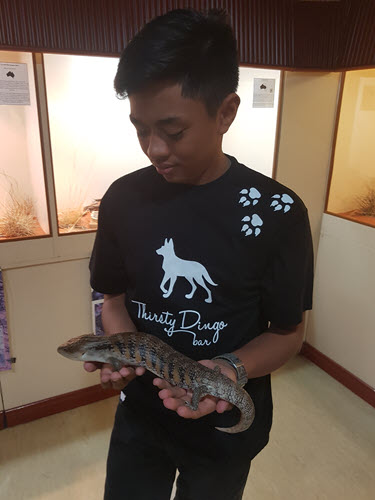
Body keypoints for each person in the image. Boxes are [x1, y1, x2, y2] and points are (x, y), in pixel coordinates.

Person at [86, 8, 314, 500]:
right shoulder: (124, 199)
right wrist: (126, 352)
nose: (153, 148)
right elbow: (114, 299)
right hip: (140, 417)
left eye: (173, 130)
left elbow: (289, 333)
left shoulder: (277, 211)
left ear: (226, 112)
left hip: (223, 422)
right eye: (140, 128)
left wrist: (229, 369)